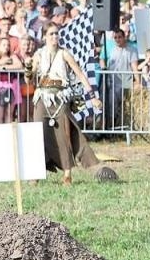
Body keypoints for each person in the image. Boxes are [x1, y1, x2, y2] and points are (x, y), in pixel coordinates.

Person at [31, 25, 102, 184]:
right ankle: (36, 173)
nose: (55, 36)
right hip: (42, 97)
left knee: (64, 135)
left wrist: (93, 97)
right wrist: (28, 68)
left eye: (56, 33)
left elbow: (80, 75)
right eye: (51, 34)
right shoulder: (39, 55)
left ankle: (67, 174)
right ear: (44, 36)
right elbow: (29, 75)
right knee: (38, 133)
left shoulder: (64, 54)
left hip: (60, 97)